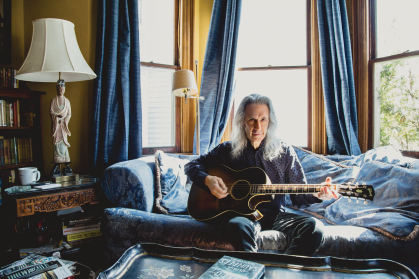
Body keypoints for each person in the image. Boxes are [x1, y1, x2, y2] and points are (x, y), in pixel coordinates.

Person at [184, 93, 338, 256]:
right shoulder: (227, 150)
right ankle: (253, 269)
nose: (257, 127)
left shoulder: (284, 152)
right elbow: (191, 165)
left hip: (276, 216)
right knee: (238, 225)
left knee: (315, 227)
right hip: (243, 218)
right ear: (242, 122)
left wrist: (319, 193)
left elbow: (298, 197)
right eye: (252, 120)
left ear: (270, 121)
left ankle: (286, 267)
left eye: (263, 119)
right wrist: (208, 180)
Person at [50, 79, 72, 163]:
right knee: (57, 142)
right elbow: (51, 112)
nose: (60, 91)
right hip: (57, 126)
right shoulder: (53, 100)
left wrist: (65, 119)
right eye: (59, 89)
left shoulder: (67, 101)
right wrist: (56, 116)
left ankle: (65, 157)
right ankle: (57, 157)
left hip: (63, 125)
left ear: (64, 90)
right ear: (56, 89)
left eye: (62, 89)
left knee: (64, 141)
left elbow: (69, 113)